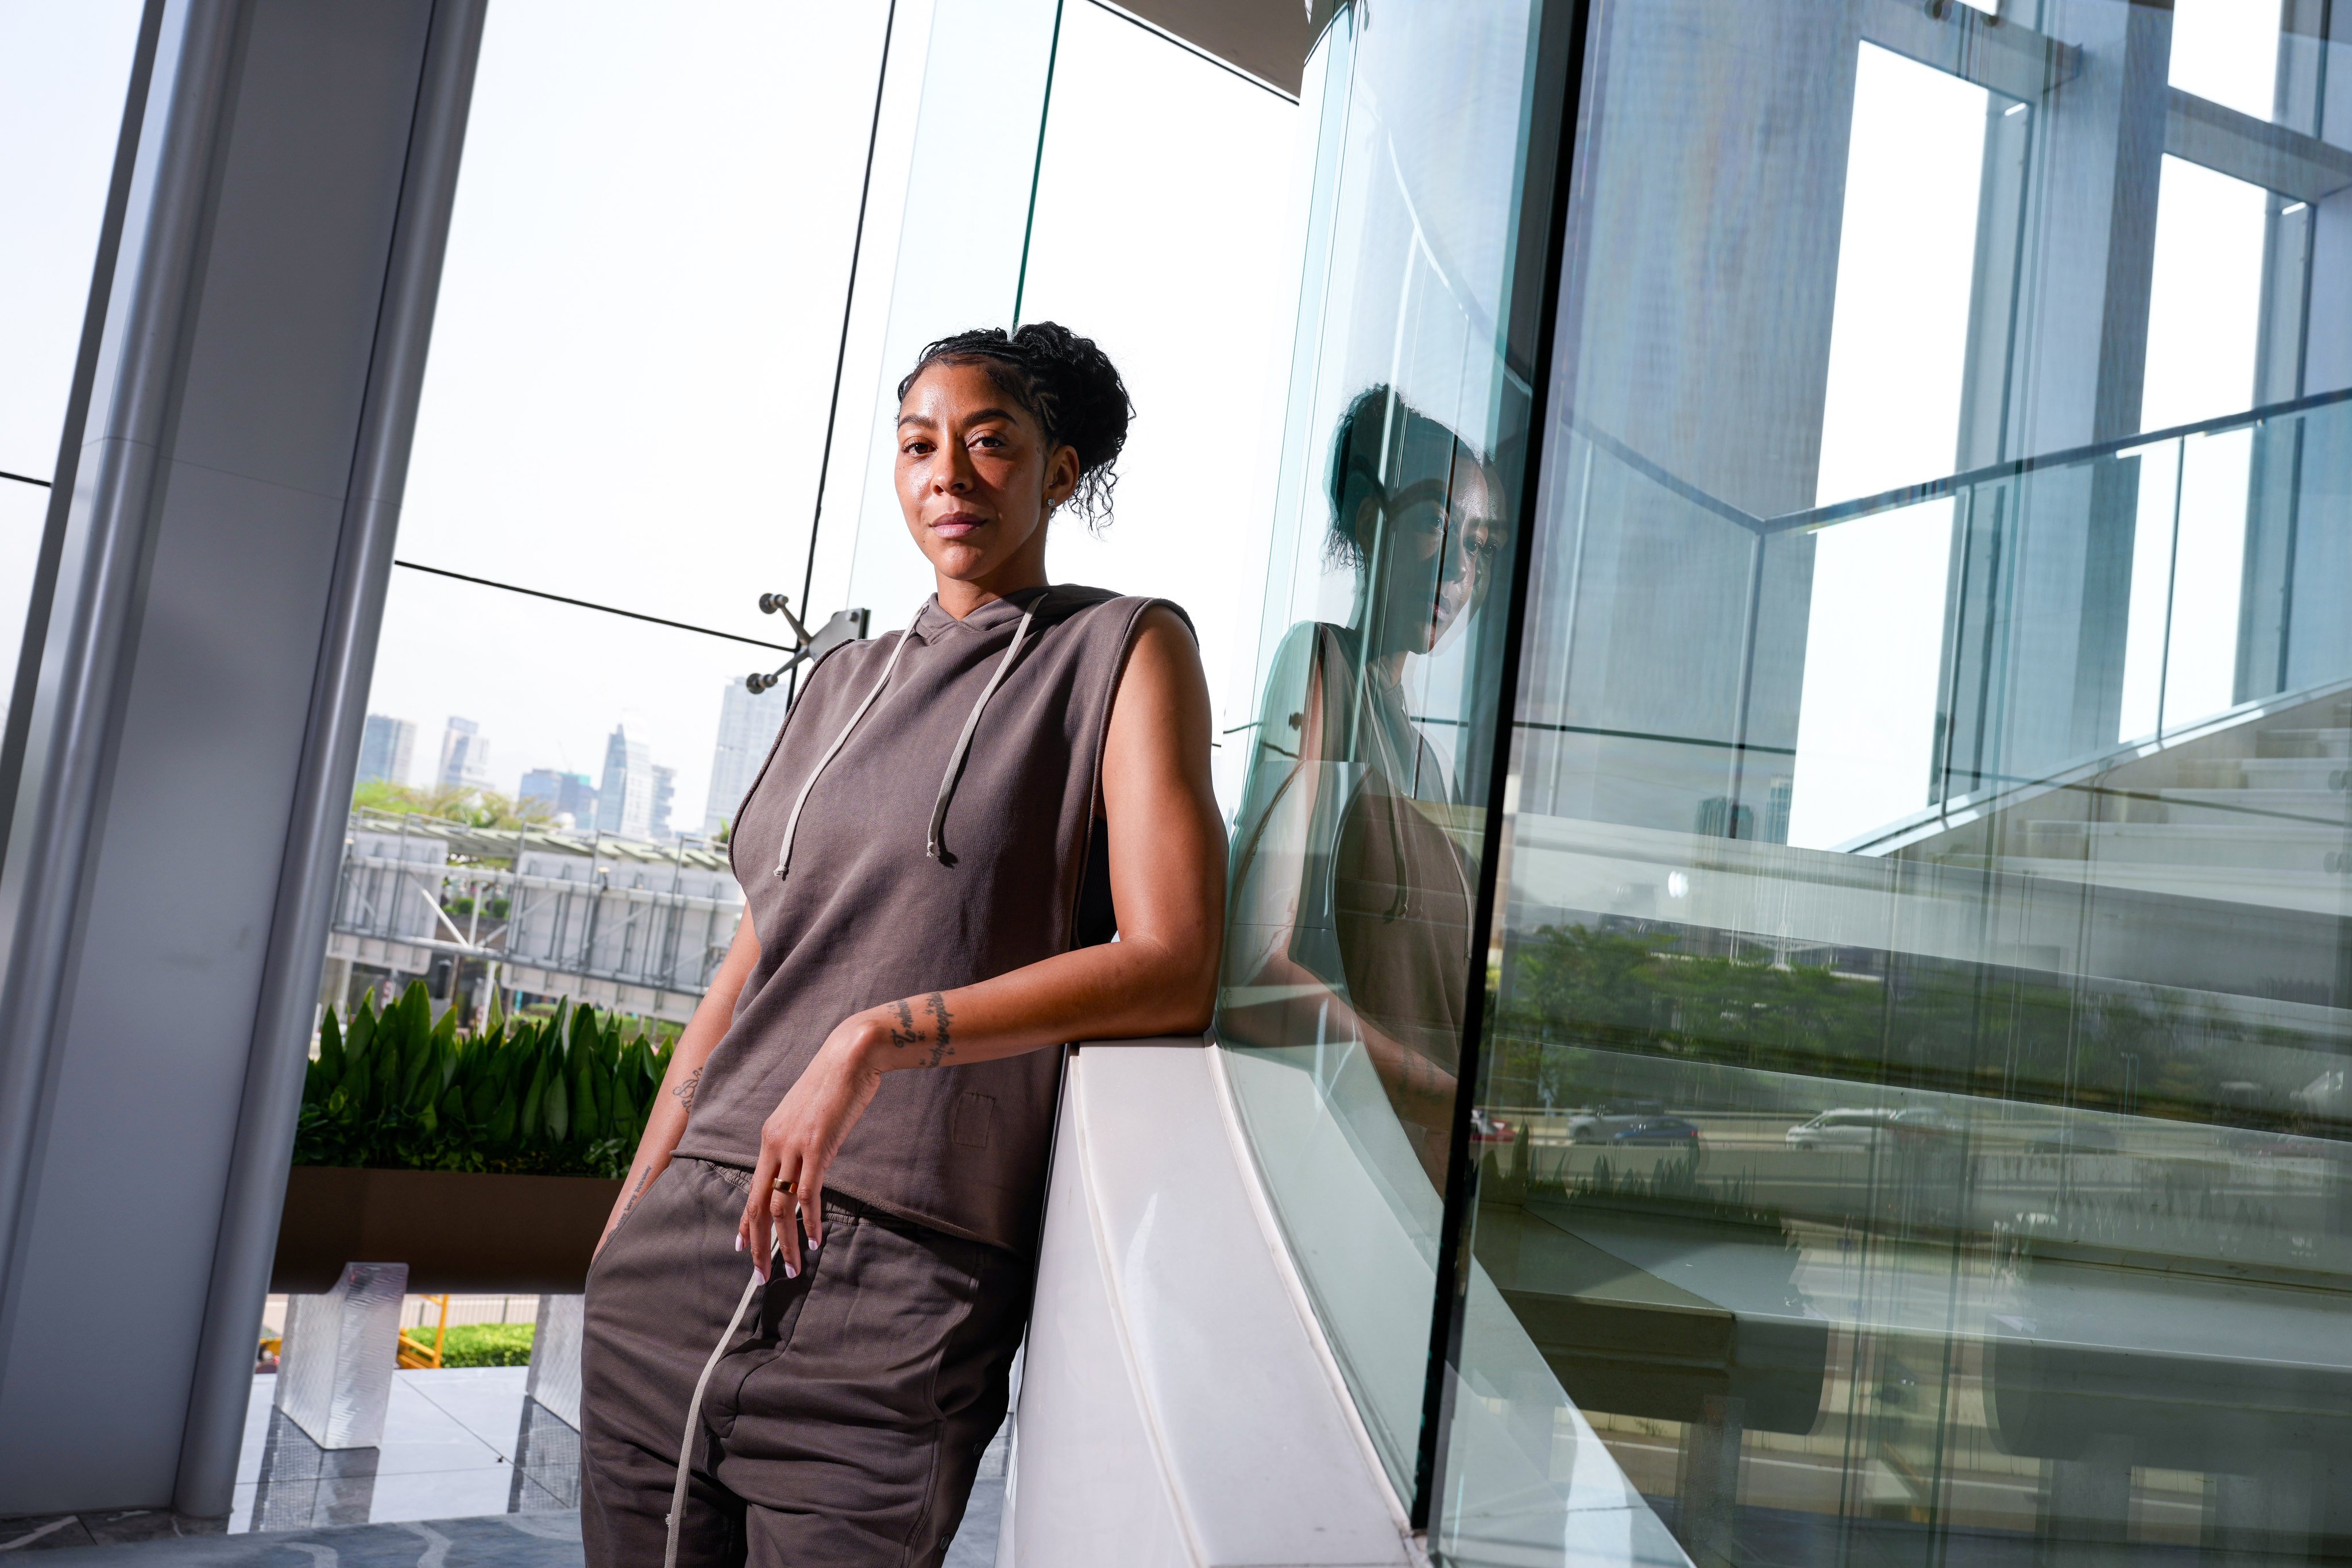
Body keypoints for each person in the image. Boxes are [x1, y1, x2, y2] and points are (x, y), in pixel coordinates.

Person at [577, 322, 1225, 1567]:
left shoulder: (1122, 648)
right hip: (684, 1245)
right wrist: (632, 1211)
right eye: (920, 445)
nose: (949, 475)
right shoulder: (837, 681)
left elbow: (1174, 960)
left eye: (993, 445)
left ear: (1060, 472)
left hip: (907, 1274)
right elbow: (751, 970)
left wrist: (877, 1038)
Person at [1221, 385, 1505, 1187]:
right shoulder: (1318, 667)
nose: (1459, 569)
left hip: (1424, 1168)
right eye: (1435, 526)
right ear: (1367, 521)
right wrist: (1432, 1091)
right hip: (1343, 1165)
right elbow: (1255, 970)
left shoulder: (1427, 762)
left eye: (1480, 546)